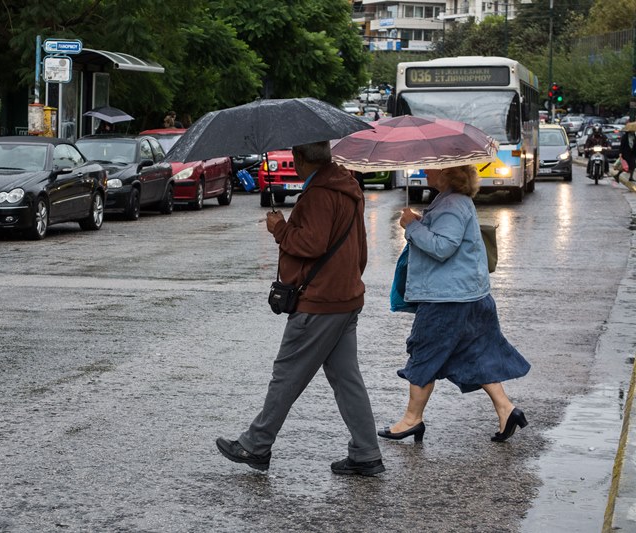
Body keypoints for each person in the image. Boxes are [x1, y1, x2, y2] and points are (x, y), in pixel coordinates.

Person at [216, 141, 384, 476]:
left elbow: (312, 243)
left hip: (320, 302)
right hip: (345, 296)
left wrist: (280, 228)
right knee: (347, 379)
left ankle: (256, 444)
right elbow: (359, 249)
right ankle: (366, 453)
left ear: (301, 158)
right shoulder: (348, 186)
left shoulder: (320, 193)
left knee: (287, 374)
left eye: (294, 157)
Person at [380, 165, 530, 444]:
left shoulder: (451, 204)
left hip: (447, 298)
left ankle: (412, 420)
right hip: (469, 294)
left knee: (424, 351)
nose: (425, 171)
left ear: (447, 175)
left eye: (432, 168)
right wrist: (420, 221)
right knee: (475, 352)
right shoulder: (455, 201)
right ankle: (506, 409)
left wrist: (411, 226)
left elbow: (442, 247)